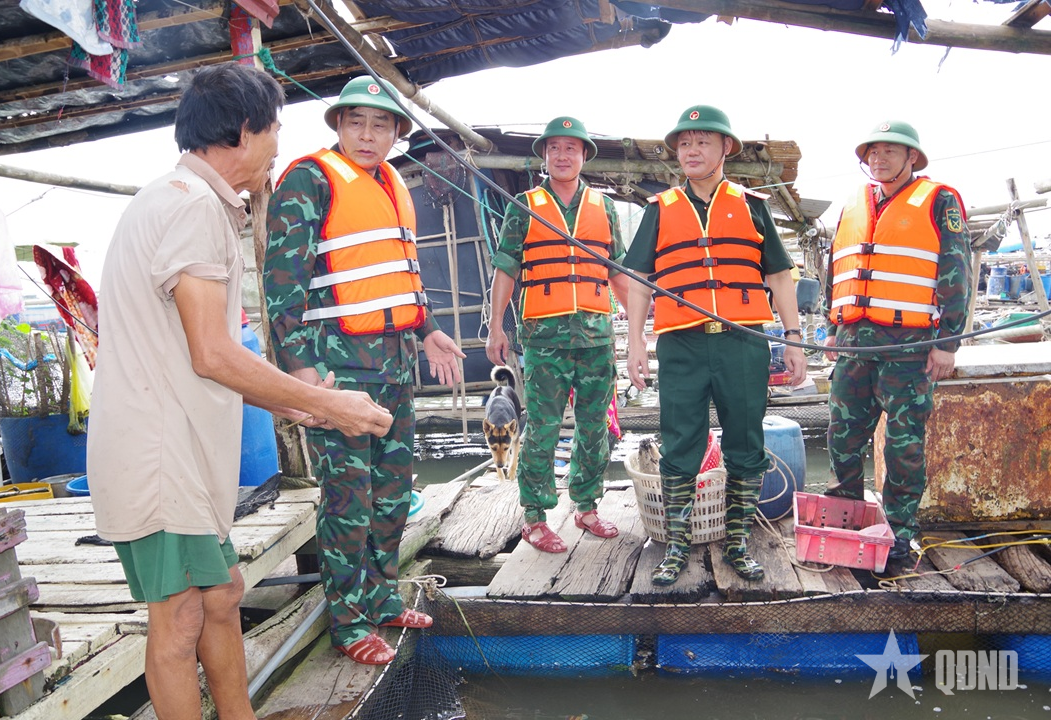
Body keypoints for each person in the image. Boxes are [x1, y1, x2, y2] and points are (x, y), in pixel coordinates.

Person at [87, 63, 393, 720]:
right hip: (159, 460)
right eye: (275, 132)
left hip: (178, 454)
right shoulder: (193, 207)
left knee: (224, 593)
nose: (278, 149)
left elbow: (192, 355)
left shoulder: (174, 197)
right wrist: (328, 401)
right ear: (246, 130)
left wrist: (283, 400)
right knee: (178, 624)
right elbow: (214, 351)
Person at [265, 75, 465, 666]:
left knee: (393, 493)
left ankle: (379, 597)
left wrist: (427, 328)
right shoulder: (309, 179)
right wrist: (300, 371)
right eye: (357, 121)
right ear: (339, 126)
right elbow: (282, 285)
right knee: (348, 500)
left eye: (381, 124)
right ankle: (347, 621)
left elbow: (401, 271)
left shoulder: (393, 183)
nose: (368, 134)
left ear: (397, 133)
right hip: (337, 372)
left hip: (395, 366)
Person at [624, 105, 807, 585]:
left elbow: (780, 277)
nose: (691, 150)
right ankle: (677, 542)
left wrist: (793, 340)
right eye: (684, 143)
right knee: (680, 442)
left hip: (743, 342)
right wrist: (637, 342)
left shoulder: (753, 205)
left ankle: (738, 538)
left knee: (746, 443)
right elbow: (639, 281)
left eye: (702, 141)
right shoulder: (659, 209)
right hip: (681, 344)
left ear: (726, 148)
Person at [823, 120, 971, 568]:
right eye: (873, 152)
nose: (879, 159)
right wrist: (831, 328)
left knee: (904, 446)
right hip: (853, 343)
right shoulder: (852, 204)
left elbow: (956, 272)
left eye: (891, 151)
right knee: (842, 437)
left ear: (912, 158)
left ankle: (900, 536)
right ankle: (848, 515)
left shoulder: (939, 199)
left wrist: (948, 343)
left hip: (910, 346)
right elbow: (837, 268)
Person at [486, 116, 630, 553]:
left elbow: (617, 271)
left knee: (594, 427)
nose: (562, 155)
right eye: (554, 149)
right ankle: (534, 517)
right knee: (544, 428)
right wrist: (496, 326)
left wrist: (639, 330)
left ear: (584, 155)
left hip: (596, 339)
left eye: (571, 148)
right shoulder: (524, 205)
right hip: (543, 339)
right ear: (545, 157)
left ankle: (586, 507)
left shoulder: (603, 208)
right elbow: (506, 269)